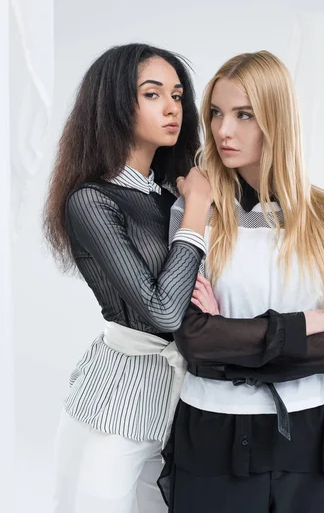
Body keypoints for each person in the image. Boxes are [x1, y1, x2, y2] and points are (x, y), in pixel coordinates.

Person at [160, 50, 324, 513]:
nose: (222, 130)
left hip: (307, 436)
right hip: (213, 433)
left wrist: (233, 346)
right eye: (215, 113)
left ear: (275, 120)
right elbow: (195, 339)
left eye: (243, 115)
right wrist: (304, 325)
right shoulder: (195, 211)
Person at [43, 43, 212, 513]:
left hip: (179, 401)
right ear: (115, 103)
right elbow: (162, 310)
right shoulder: (93, 200)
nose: (172, 107)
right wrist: (198, 209)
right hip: (114, 403)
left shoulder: (170, 199)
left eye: (177, 95)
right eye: (153, 94)